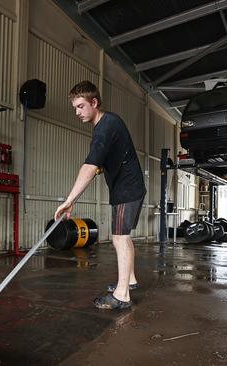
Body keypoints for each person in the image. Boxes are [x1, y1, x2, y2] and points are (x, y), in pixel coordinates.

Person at [54, 80, 146, 310]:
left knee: (119, 238)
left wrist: (69, 200)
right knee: (123, 237)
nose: (77, 112)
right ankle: (130, 281)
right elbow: (98, 165)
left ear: (94, 102)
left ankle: (122, 295)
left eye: (81, 106)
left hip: (127, 190)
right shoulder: (104, 125)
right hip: (126, 188)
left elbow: (89, 165)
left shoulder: (106, 125)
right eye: (75, 107)